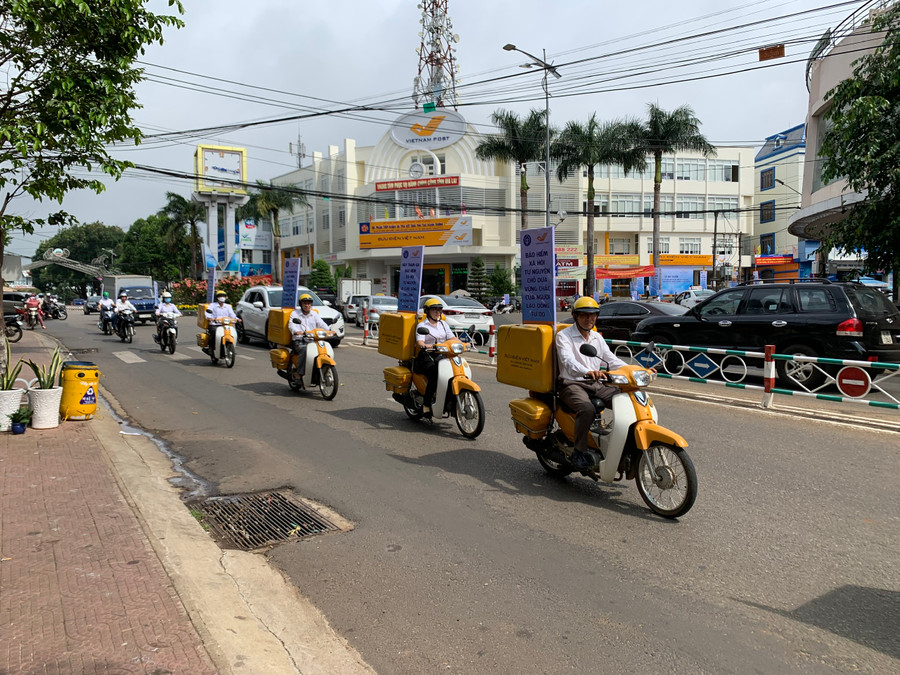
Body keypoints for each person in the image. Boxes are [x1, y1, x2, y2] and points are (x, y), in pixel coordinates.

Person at [555, 296, 628, 470]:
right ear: (575, 316)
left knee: (626, 399)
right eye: (584, 315)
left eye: (593, 315)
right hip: (572, 383)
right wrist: (587, 371)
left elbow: (611, 359)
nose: (589, 319)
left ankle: (622, 442)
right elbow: (567, 361)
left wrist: (634, 370)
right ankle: (578, 452)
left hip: (596, 383)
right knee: (587, 409)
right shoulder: (564, 336)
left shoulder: (596, 337)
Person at [415, 297, 454, 418]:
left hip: (442, 353)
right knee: (435, 373)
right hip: (427, 354)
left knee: (453, 372)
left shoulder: (443, 324)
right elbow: (420, 341)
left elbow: (451, 337)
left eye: (439, 310)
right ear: (427, 311)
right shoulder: (422, 325)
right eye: (434, 310)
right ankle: (426, 404)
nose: (438, 313)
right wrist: (426, 345)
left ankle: (447, 399)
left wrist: (463, 344)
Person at [288, 293, 328, 378]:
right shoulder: (295, 314)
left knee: (324, 350)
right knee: (305, 350)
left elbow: (321, 323)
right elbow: (291, 325)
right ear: (301, 304)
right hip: (299, 340)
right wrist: (296, 331)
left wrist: (329, 331)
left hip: (312, 340)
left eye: (309, 303)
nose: (307, 305)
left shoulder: (314, 314)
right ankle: (299, 373)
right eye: (305, 303)